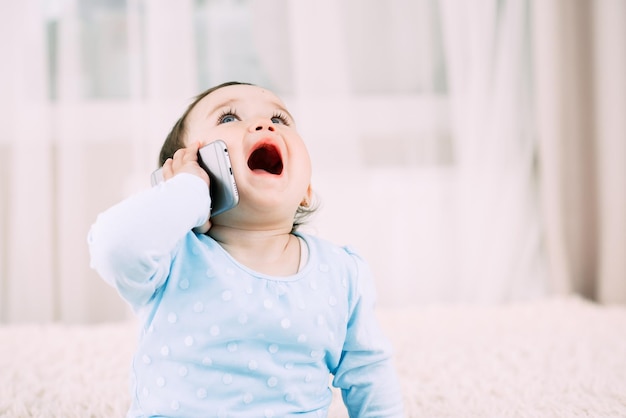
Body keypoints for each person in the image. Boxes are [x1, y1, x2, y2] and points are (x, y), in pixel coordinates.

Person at [88, 81, 405, 417]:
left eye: (279, 119)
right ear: (192, 169)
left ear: (306, 191)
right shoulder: (172, 258)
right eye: (228, 118)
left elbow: (370, 377)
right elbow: (112, 247)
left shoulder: (342, 274)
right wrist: (188, 192)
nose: (264, 124)